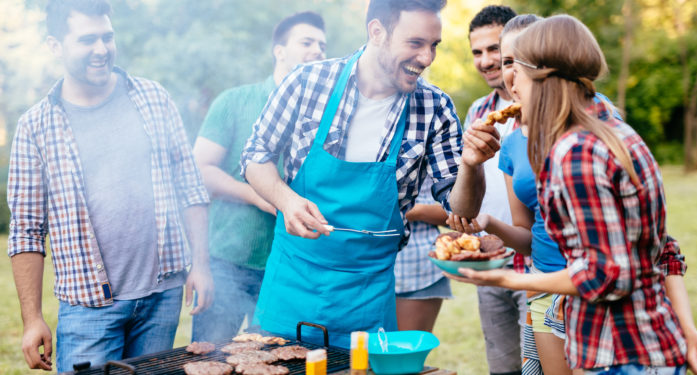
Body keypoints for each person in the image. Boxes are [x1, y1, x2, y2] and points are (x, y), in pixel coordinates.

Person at [447, 15, 697, 375]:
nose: (512, 88)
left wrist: (509, 279)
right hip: (645, 342)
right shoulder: (617, 134)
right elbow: (659, 247)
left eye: (519, 74)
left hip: (616, 352)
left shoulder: (576, 152)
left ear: (546, 77)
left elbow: (607, 276)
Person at [241, 0, 494, 348]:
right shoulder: (307, 82)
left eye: (433, 45)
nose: (427, 58)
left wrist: (471, 164)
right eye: (415, 43)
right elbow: (255, 155)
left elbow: (461, 209)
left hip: (367, 297)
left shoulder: (435, 108)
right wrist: (287, 200)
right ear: (377, 31)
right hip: (292, 283)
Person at [7, 0, 213, 371]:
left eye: (107, 37)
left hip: (161, 296)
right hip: (88, 307)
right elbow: (26, 231)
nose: (101, 49)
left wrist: (201, 264)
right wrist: (32, 318)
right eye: (87, 39)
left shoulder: (153, 98)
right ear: (56, 46)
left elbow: (190, 188)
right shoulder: (34, 126)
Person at [191, 11, 327, 343]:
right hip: (228, 261)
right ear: (279, 50)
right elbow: (199, 171)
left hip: (293, 265)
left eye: (322, 46)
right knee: (210, 357)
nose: (317, 51)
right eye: (306, 42)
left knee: (279, 359)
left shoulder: (326, 114)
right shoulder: (235, 101)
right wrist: (258, 195)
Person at [462, 6, 527, 375]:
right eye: (477, 52)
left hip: (538, 263)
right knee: (502, 367)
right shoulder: (478, 111)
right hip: (492, 260)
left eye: (494, 50)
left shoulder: (542, 108)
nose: (486, 61)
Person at [394, 179, 450, 333]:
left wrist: (411, 210)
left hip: (416, 273)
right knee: (360, 353)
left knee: (406, 354)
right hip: (360, 270)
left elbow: (461, 212)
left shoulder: (439, 155)